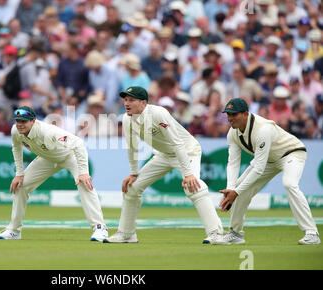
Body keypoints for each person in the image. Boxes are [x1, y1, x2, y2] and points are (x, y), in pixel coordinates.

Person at [104, 86, 227, 244]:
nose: (127, 103)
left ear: (143, 103)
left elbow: (177, 144)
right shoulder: (127, 119)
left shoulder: (158, 113)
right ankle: (127, 234)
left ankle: (216, 234)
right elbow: (132, 148)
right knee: (132, 188)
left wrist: (188, 174)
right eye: (125, 100)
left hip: (187, 150)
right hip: (163, 155)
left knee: (194, 187)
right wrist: (134, 173)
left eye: (131, 100)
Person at [0, 106, 108, 241]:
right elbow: (16, 148)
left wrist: (83, 172)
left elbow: (78, 143)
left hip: (69, 156)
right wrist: (19, 174)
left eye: (23, 121)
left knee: (84, 184)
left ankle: (100, 229)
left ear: (33, 121)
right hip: (47, 159)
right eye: (18, 121)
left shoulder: (48, 131)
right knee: (21, 186)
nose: (20, 125)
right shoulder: (15, 131)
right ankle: (14, 230)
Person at [219, 98, 320, 245]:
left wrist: (236, 191)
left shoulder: (262, 129)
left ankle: (312, 233)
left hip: (292, 153)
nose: (230, 118)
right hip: (268, 160)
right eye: (228, 114)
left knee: (289, 184)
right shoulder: (232, 133)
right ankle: (236, 233)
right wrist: (231, 188)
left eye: (233, 114)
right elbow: (233, 163)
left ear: (245, 114)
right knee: (241, 188)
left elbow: (259, 168)